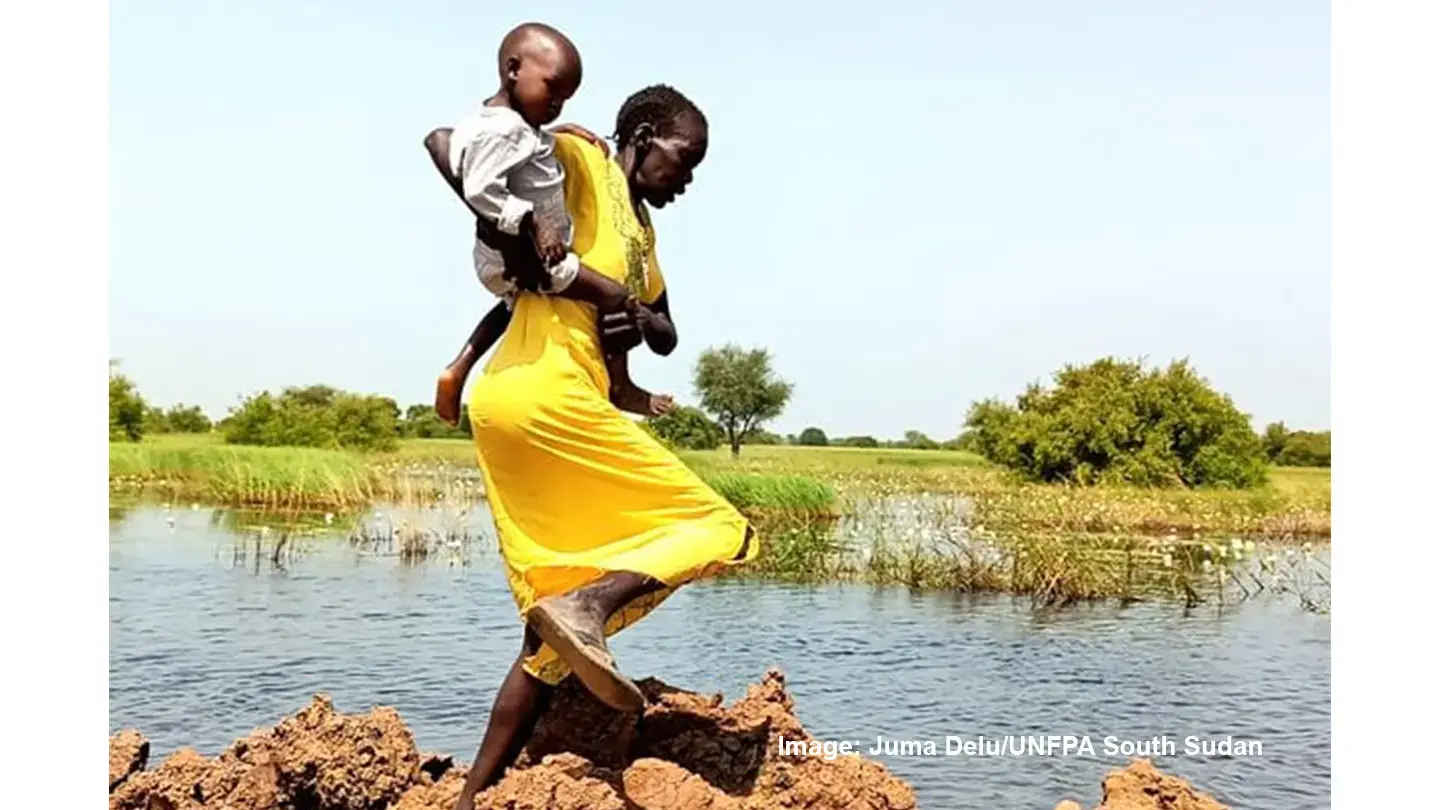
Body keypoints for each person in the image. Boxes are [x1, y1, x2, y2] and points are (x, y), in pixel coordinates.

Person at [438, 84, 756, 810]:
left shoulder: (644, 233)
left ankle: (467, 801)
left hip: (525, 405)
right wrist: (529, 172)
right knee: (723, 529)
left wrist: (630, 309)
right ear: (642, 136)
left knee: (545, 645)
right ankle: (589, 605)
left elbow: (667, 332)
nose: (689, 178)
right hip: (547, 395)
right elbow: (454, 146)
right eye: (684, 159)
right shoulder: (580, 162)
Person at [431, 21, 674, 426]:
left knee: (510, 306)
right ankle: (622, 388)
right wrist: (532, 225)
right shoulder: (502, 130)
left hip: (530, 255)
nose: (557, 106)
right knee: (614, 295)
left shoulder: (513, 127)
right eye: (552, 91)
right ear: (513, 70)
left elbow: (522, 147)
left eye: (565, 99)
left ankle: (458, 368)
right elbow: (478, 187)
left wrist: (556, 130)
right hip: (537, 254)